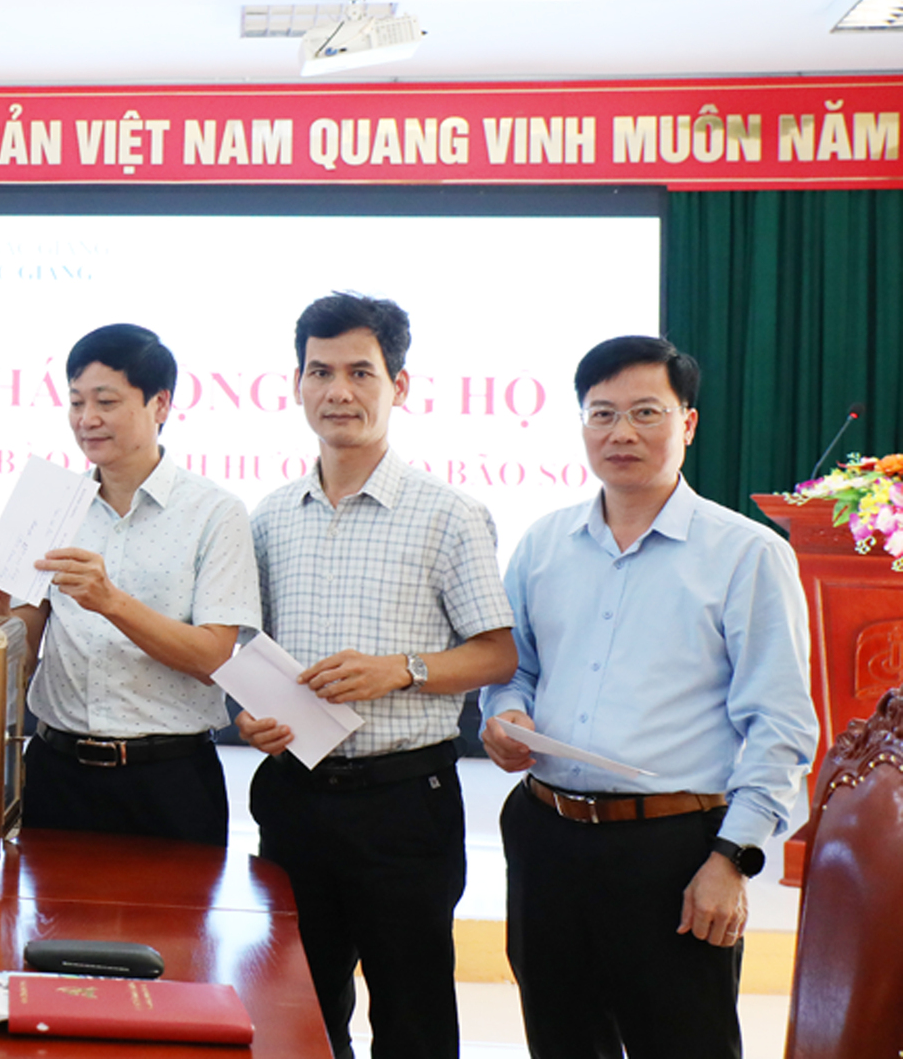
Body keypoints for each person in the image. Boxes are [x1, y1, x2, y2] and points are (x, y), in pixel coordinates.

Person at [479, 336, 817, 1059]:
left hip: (675, 852)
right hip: (548, 837)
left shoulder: (746, 553)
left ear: (687, 423)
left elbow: (780, 725)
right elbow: (514, 668)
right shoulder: (543, 544)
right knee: (560, 1039)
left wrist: (733, 858)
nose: (621, 433)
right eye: (601, 414)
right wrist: (504, 714)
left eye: (645, 413)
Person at [238, 292, 516, 1059]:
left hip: (404, 804)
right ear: (295, 385)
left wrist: (402, 670)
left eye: (362, 372)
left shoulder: (449, 514)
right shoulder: (268, 517)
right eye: (320, 372)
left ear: (401, 386)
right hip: (295, 795)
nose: (340, 391)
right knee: (298, 1005)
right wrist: (248, 719)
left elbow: (498, 653)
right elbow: (248, 653)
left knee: (412, 1010)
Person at [0, 323, 259, 847]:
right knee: (51, 928)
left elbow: (214, 658)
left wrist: (111, 602)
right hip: (58, 773)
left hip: (168, 779)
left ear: (160, 404)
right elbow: (24, 650)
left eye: (106, 401)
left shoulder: (215, 512)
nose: (86, 419)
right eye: (75, 402)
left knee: (172, 931)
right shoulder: (49, 501)